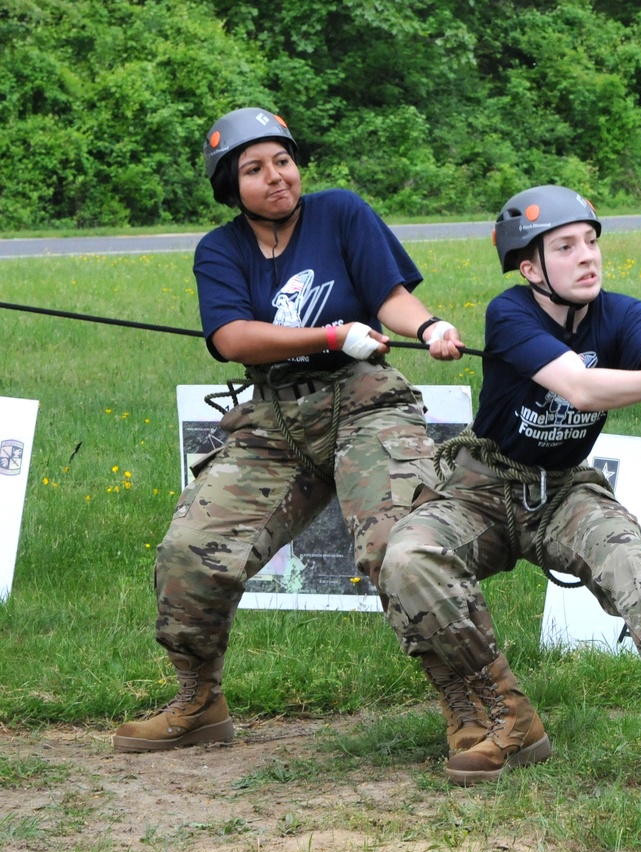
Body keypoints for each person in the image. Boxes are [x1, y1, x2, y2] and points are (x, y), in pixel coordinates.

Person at [380, 185, 641, 789]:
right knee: (407, 559)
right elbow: (580, 388)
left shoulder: (622, 312)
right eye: (565, 246)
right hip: (481, 487)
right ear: (530, 268)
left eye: (591, 241)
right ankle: (509, 717)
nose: (587, 256)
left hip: (565, 490)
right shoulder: (510, 312)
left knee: (637, 571)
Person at [113, 107, 469, 752]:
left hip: (366, 405)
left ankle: (481, 710)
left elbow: (389, 295)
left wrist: (428, 327)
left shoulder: (341, 213)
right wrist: (329, 332)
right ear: (230, 187)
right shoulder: (219, 250)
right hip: (274, 419)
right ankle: (199, 702)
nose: (276, 177)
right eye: (254, 169)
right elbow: (232, 337)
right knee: (189, 551)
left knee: (401, 547)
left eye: (283, 160)